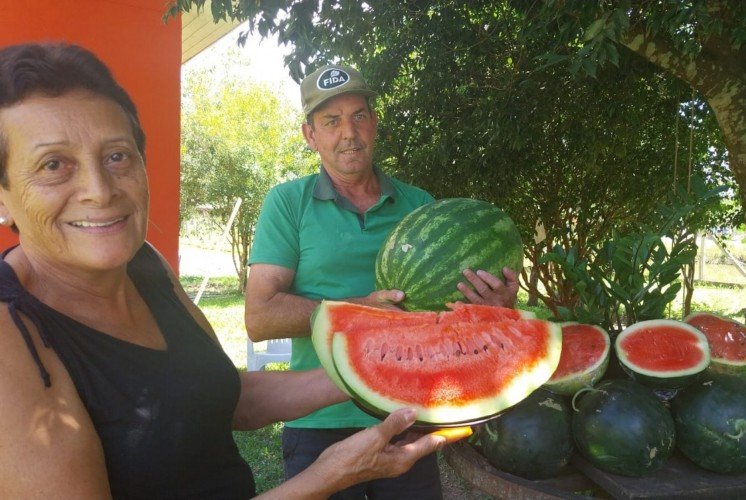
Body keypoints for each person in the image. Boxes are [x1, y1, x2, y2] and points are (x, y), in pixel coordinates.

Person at [0, 42, 448, 499]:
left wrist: (376, 368)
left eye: (117, 156)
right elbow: (262, 318)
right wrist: (328, 475)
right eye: (53, 165)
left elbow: (229, 396)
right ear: (3, 197)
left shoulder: (146, 266)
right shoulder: (11, 338)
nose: (99, 190)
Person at [245, 63, 520, 499]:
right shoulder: (287, 203)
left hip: (410, 411)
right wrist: (362, 311)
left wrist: (492, 307)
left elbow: (449, 321)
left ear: (374, 124)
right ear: (310, 135)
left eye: (358, 116)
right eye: (331, 121)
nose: (348, 132)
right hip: (318, 417)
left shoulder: (420, 205)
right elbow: (260, 317)